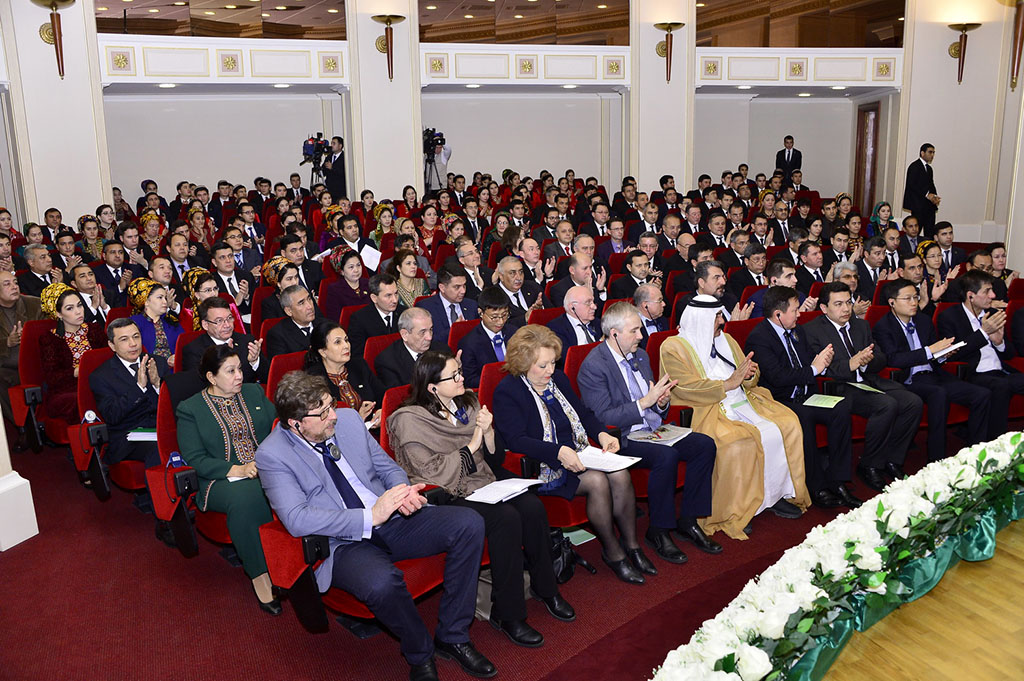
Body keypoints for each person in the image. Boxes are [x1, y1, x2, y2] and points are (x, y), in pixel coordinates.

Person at [256, 371, 493, 681]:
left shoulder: (348, 420)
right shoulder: (273, 455)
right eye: (322, 413)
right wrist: (370, 517)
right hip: (341, 541)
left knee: (469, 524)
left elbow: (388, 467)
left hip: (390, 517)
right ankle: (419, 651)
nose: (333, 416)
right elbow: (297, 518)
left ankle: (453, 635)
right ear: (296, 424)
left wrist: (401, 493)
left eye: (331, 405)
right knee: (381, 582)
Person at [389, 351, 575, 647]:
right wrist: (473, 442)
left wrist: (487, 433)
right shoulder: (409, 420)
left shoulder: (468, 402)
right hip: (447, 494)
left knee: (531, 506)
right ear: (432, 387)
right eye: (455, 376)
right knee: (506, 518)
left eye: (461, 371)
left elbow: (494, 458)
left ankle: (546, 588)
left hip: (482, 482)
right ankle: (509, 614)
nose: (463, 378)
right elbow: (431, 473)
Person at [493, 325, 655, 585]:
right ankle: (614, 553)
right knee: (598, 481)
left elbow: (584, 413)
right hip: (545, 464)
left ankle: (633, 546)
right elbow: (516, 440)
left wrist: (601, 434)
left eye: (553, 364)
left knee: (620, 473)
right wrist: (557, 451)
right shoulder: (508, 391)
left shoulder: (558, 379)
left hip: (580, 453)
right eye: (543, 366)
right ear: (523, 363)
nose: (550, 371)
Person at [577, 303, 720, 562]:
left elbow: (654, 401)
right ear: (614, 334)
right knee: (666, 456)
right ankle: (659, 530)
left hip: (654, 429)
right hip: (622, 437)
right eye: (635, 331)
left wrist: (661, 402)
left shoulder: (640, 356)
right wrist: (644, 403)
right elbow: (602, 418)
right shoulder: (594, 366)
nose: (641, 336)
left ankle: (688, 520)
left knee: (705, 444)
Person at [660, 295, 809, 539]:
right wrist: (728, 383)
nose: (722, 321)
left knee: (786, 425)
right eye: (717, 316)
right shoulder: (673, 347)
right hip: (708, 408)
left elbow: (748, 372)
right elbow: (682, 388)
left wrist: (749, 375)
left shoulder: (726, 339)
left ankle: (774, 495)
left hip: (744, 401)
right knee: (738, 441)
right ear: (702, 319)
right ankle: (738, 509)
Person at [175, 346, 278, 614]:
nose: (239, 376)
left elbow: (278, 427)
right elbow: (195, 458)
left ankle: (291, 561)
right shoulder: (191, 409)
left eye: (240, 369)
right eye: (230, 371)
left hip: (265, 468)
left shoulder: (254, 392)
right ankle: (261, 575)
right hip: (218, 480)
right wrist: (238, 469)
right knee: (249, 495)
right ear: (211, 377)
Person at [744, 287, 862, 509]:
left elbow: (810, 362)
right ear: (778, 314)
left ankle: (837, 480)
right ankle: (815, 486)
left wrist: (822, 362)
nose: (799, 315)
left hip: (805, 394)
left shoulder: (797, 331)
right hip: (778, 400)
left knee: (841, 407)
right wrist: (815, 369)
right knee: (804, 416)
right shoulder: (759, 338)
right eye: (795, 310)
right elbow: (777, 377)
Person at [803, 282, 924, 491]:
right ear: (824, 308)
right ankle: (870, 464)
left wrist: (867, 361)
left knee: (912, 402)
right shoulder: (812, 330)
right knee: (886, 405)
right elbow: (820, 370)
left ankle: (892, 459)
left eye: (848, 302)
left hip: (868, 380)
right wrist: (852, 363)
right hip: (839, 386)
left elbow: (881, 358)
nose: (846, 309)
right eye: (838, 304)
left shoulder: (861, 325)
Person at [873, 279, 990, 462]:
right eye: (907, 298)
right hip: (909, 380)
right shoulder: (883, 326)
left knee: (981, 394)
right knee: (938, 393)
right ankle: (937, 458)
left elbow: (935, 356)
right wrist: (931, 351)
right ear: (892, 302)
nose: (914, 302)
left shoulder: (923, 321)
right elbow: (894, 359)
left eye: (915, 297)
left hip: (934, 374)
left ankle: (977, 454)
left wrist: (944, 354)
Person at [937, 270, 1024, 440]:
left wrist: (999, 342)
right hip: (973, 373)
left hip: (1001, 371)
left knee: (1006, 382)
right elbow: (953, 354)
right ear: (970, 296)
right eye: (987, 291)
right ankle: (995, 443)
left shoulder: (992, 314)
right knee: (1001, 386)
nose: (993, 295)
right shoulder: (949, 316)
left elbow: (1010, 353)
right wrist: (983, 333)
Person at [88, 318, 167, 470]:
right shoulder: (101, 376)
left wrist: (157, 383)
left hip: (159, 428)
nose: (133, 344)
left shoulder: (157, 362)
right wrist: (139, 387)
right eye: (124, 339)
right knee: (158, 450)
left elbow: (173, 406)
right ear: (112, 345)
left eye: (136, 336)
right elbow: (112, 416)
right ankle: (155, 493)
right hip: (128, 437)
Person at [37, 282, 108, 423]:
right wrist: (76, 371)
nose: (78, 311)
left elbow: (107, 357)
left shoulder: (93, 329)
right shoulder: (50, 339)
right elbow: (52, 378)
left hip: (99, 381)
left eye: (79, 305)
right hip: (67, 390)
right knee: (84, 398)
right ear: (58, 313)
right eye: (70, 308)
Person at [304, 321, 383, 426]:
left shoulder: (359, 365)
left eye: (346, 340)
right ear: (323, 352)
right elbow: (321, 424)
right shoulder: (313, 379)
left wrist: (381, 411)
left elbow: (383, 395)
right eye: (338, 342)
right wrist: (358, 419)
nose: (346, 346)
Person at [181, 296, 266, 383]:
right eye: (219, 321)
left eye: (229, 318)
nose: (227, 325)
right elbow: (197, 386)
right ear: (205, 325)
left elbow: (268, 378)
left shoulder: (247, 341)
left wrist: (255, 362)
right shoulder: (194, 350)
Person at [375, 308, 449, 389]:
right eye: (422, 332)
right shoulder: (388, 362)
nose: (429, 337)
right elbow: (399, 397)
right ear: (405, 334)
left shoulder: (442, 350)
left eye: (430, 329)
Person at [128, 277, 183, 370]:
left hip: (176, 371)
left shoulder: (171, 321)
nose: (165, 302)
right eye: (160, 298)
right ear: (146, 302)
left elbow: (184, 346)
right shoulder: (133, 324)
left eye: (165, 298)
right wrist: (165, 362)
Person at [347, 273, 406, 357]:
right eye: (388, 295)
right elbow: (358, 355)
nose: (395, 300)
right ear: (374, 298)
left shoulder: (404, 313)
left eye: (396, 293)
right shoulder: (359, 319)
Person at [417, 264, 479, 343]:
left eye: (464, 286)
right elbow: (426, 341)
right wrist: (455, 330)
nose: (463, 291)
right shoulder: (426, 308)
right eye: (457, 287)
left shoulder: (471, 305)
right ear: (442, 288)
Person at [548, 285, 601, 366]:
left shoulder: (598, 323)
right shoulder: (556, 329)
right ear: (572, 307)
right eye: (588, 303)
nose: (594, 307)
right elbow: (567, 360)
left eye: (593, 302)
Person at [265, 285, 320, 357]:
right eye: (301, 303)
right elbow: (284, 366)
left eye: (309, 299)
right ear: (289, 311)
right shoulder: (278, 335)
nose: (309, 306)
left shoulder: (326, 325)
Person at [902, 143, 940, 237]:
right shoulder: (914, 166)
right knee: (915, 232)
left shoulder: (929, 169)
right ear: (922, 153)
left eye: (933, 153)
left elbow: (931, 184)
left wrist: (934, 196)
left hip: (929, 206)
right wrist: (927, 195)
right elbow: (912, 185)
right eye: (930, 152)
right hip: (918, 205)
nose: (932, 155)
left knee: (930, 232)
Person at [323, 249, 370, 322]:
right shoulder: (335, 290)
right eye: (351, 267)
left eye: (358, 265)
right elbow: (334, 319)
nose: (356, 270)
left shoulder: (368, 283)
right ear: (341, 271)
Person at [323, 136, 348, 200]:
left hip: (340, 190)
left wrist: (333, 168)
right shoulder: (329, 156)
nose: (331, 145)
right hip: (330, 189)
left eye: (334, 143)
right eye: (331, 143)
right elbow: (323, 172)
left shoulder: (345, 157)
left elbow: (345, 172)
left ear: (340, 146)